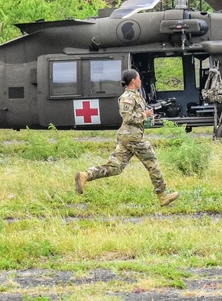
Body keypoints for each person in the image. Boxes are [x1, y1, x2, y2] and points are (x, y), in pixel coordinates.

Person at [74, 69, 179, 206]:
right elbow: (128, 117)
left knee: (115, 167)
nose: (141, 80)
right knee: (153, 164)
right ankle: (163, 195)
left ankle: (86, 175)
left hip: (128, 137)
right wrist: (144, 115)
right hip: (133, 138)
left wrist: (147, 116)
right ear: (133, 81)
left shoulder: (135, 96)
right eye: (139, 78)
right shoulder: (127, 97)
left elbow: (135, 116)